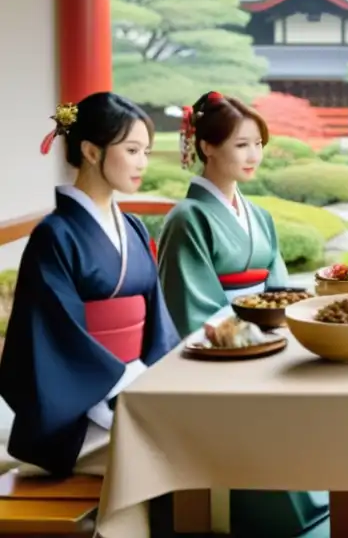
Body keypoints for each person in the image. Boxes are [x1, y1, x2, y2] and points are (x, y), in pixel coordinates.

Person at [157, 91, 329, 538]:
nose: (254, 155)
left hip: (265, 339)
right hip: (219, 350)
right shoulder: (187, 218)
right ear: (207, 147)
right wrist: (254, 339)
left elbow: (280, 293)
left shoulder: (260, 215)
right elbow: (193, 306)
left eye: (258, 143)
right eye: (241, 145)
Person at [0, 94, 179, 478]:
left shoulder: (131, 227)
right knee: (165, 459)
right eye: (132, 150)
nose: (142, 163)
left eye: (146, 151)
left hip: (135, 388)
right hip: (82, 414)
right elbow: (53, 338)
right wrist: (120, 388)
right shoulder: (54, 235)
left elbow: (156, 319)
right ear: (91, 152)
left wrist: (151, 379)